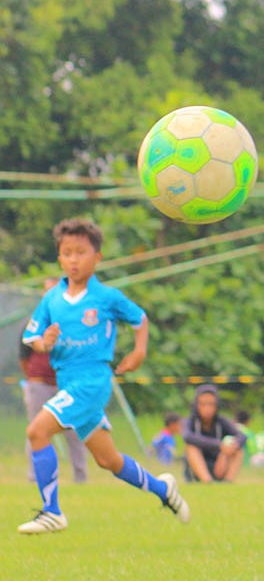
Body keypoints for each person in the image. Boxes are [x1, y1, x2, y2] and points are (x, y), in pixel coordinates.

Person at [19, 218, 189, 534]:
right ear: (59, 257)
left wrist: (139, 352)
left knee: (36, 432)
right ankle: (163, 489)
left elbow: (140, 318)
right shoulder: (52, 299)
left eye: (80, 252)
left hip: (92, 381)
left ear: (97, 257)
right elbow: (33, 337)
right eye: (66, 252)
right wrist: (46, 342)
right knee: (108, 460)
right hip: (68, 381)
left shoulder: (107, 297)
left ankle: (51, 511)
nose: (73, 259)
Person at [20, 275, 89, 484]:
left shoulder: (73, 322)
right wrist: (35, 378)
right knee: (36, 429)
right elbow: (24, 356)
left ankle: (80, 478)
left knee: (74, 430)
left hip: (65, 385)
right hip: (39, 383)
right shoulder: (33, 323)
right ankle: (35, 477)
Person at [182, 383, 246, 483]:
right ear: (196, 405)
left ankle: (227, 482)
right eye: (203, 404)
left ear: (217, 406)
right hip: (198, 468)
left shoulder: (221, 422)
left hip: (219, 465)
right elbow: (187, 436)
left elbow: (242, 436)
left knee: (238, 450)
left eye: (211, 404)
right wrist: (218, 445)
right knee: (191, 447)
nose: (207, 409)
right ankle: (207, 481)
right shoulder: (191, 421)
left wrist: (231, 446)